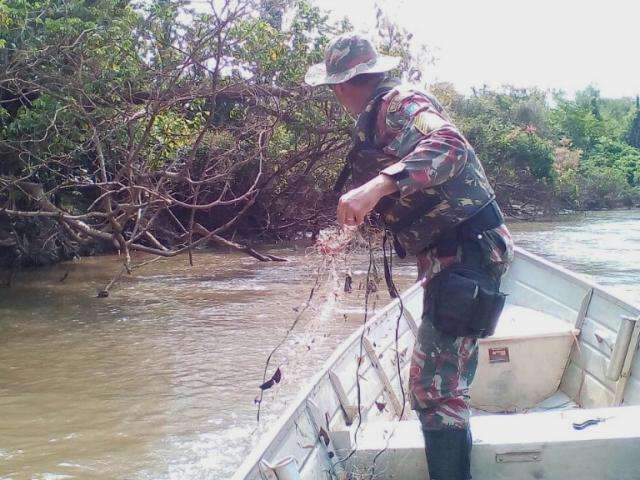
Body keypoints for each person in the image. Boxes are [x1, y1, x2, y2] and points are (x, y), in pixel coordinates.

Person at [305, 33, 514, 480]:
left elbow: (451, 145)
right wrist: (349, 230)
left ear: (342, 85)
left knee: (434, 389)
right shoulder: (378, 120)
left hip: (469, 251)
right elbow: (411, 201)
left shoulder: (401, 104)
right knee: (439, 385)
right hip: (454, 256)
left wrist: (379, 184)